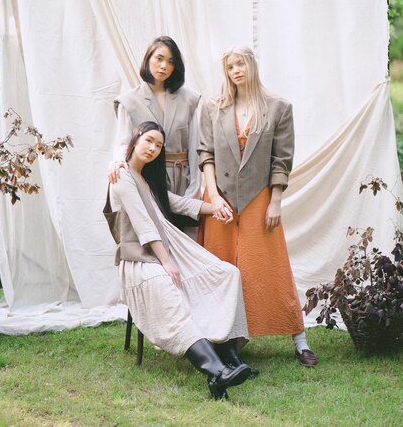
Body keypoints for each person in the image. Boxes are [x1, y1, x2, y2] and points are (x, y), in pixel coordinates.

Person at [108, 121, 252, 399]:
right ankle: (216, 373)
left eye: (159, 145)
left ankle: (230, 357)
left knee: (226, 273)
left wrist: (215, 208)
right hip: (140, 259)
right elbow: (142, 224)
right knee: (165, 287)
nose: (152, 148)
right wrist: (166, 262)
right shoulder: (122, 175)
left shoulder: (146, 178)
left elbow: (176, 202)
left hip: (169, 249)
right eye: (148, 140)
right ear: (136, 139)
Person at [197, 46, 317, 367]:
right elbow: (205, 154)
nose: (236, 70)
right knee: (220, 267)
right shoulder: (213, 107)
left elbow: (281, 159)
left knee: (269, 265)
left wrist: (275, 200)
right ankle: (226, 337)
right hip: (219, 198)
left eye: (241, 63)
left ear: (252, 65)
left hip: (259, 197)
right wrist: (213, 196)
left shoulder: (278, 107)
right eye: (230, 66)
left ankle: (299, 339)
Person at [109, 36, 201, 237]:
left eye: (170, 61)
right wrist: (117, 162)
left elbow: (195, 147)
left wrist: (193, 190)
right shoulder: (129, 101)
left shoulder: (189, 99)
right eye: (159, 58)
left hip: (182, 180)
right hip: (148, 179)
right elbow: (123, 142)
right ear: (147, 58)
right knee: (153, 239)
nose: (164, 66)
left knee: (186, 242)